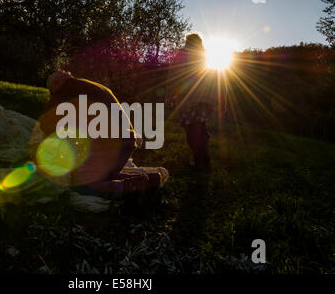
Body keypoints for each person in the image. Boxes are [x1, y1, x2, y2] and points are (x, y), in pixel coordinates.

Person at [30, 70, 167, 200]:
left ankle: (130, 189)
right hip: (127, 141)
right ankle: (150, 181)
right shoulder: (87, 86)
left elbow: (46, 123)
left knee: (81, 184)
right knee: (104, 176)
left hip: (111, 143)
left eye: (52, 93)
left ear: (55, 85)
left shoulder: (65, 91)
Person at [166, 32, 226, 169]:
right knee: (200, 127)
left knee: (192, 130)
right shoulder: (207, 56)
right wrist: (222, 101)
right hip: (205, 102)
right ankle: (203, 158)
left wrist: (169, 96)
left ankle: (201, 159)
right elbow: (220, 79)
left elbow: (173, 76)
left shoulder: (182, 56)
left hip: (188, 101)